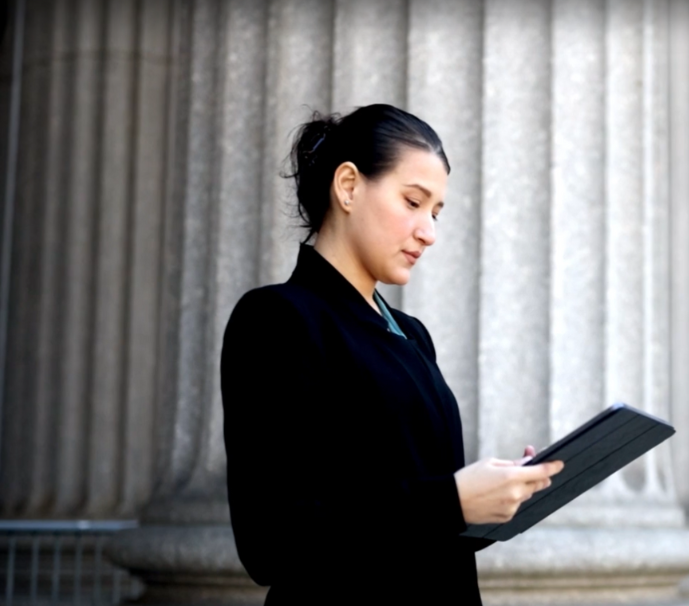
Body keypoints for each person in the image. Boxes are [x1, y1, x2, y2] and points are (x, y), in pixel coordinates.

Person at [220, 104, 564, 605]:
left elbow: (414, 501)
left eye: (436, 212)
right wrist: (452, 499)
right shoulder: (277, 319)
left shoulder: (412, 334)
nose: (429, 231)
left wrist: (495, 494)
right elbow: (271, 541)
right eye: (413, 202)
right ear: (349, 187)